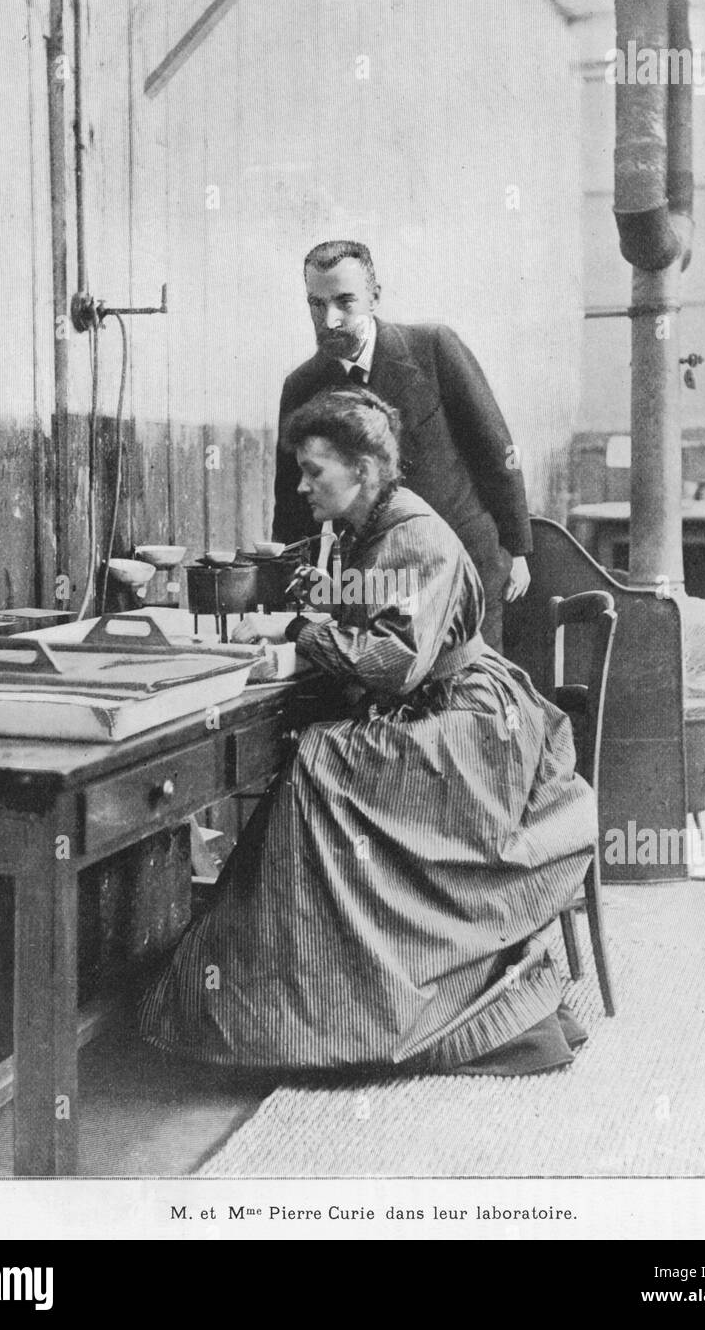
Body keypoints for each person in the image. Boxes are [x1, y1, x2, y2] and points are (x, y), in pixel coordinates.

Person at [139, 387, 597, 1077]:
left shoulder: (412, 537)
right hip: (446, 710)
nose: (301, 485)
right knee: (320, 756)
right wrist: (312, 621)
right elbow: (371, 628)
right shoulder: (374, 529)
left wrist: (301, 632)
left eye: (314, 471)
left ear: (364, 469)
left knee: (322, 766)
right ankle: (300, 988)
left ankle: (337, 1007)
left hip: (471, 724)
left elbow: (395, 664)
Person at [271, 240, 532, 652]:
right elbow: (292, 502)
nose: (331, 320)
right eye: (316, 305)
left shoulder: (433, 348)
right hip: (374, 579)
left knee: (463, 688)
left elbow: (495, 448)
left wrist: (517, 550)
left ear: (375, 297)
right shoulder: (302, 387)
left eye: (345, 302)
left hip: (464, 559)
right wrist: (288, 591)